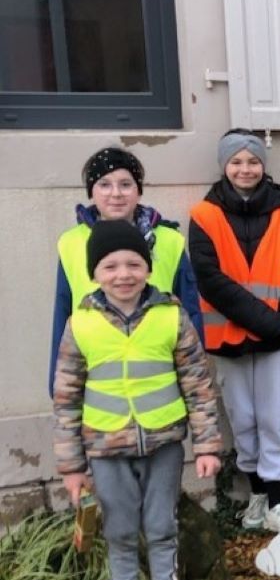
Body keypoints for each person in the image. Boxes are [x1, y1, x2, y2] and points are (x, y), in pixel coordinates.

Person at [53, 220, 222, 580]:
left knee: (162, 526)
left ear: (147, 268)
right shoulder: (81, 325)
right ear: (95, 273)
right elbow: (67, 399)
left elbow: (198, 384)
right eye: (110, 267)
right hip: (106, 448)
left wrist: (206, 445)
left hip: (163, 442)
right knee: (120, 528)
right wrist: (72, 467)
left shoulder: (171, 317)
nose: (123, 275)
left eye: (133, 264)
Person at [189, 129, 280, 532]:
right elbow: (209, 280)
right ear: (225, 166)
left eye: (253, 161)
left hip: (276, 339)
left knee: (274, 417)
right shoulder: (204, 216)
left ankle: (278, 504)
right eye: (237, 161)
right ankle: (257, 498)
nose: (245, 169)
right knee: (242, 419)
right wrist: (269, 322)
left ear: (264, 166)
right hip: (230, 340)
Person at [50, 147, 203, 396]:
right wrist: (58, 386)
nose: (116, 194)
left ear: (138, 190)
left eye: (125, 184)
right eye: (104, 185)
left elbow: (190, 312)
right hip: (100, 386)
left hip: (158, 381)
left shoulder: (169, 240)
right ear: (92, 191)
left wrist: (194, 380)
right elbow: (62, 312)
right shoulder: (70, 243)